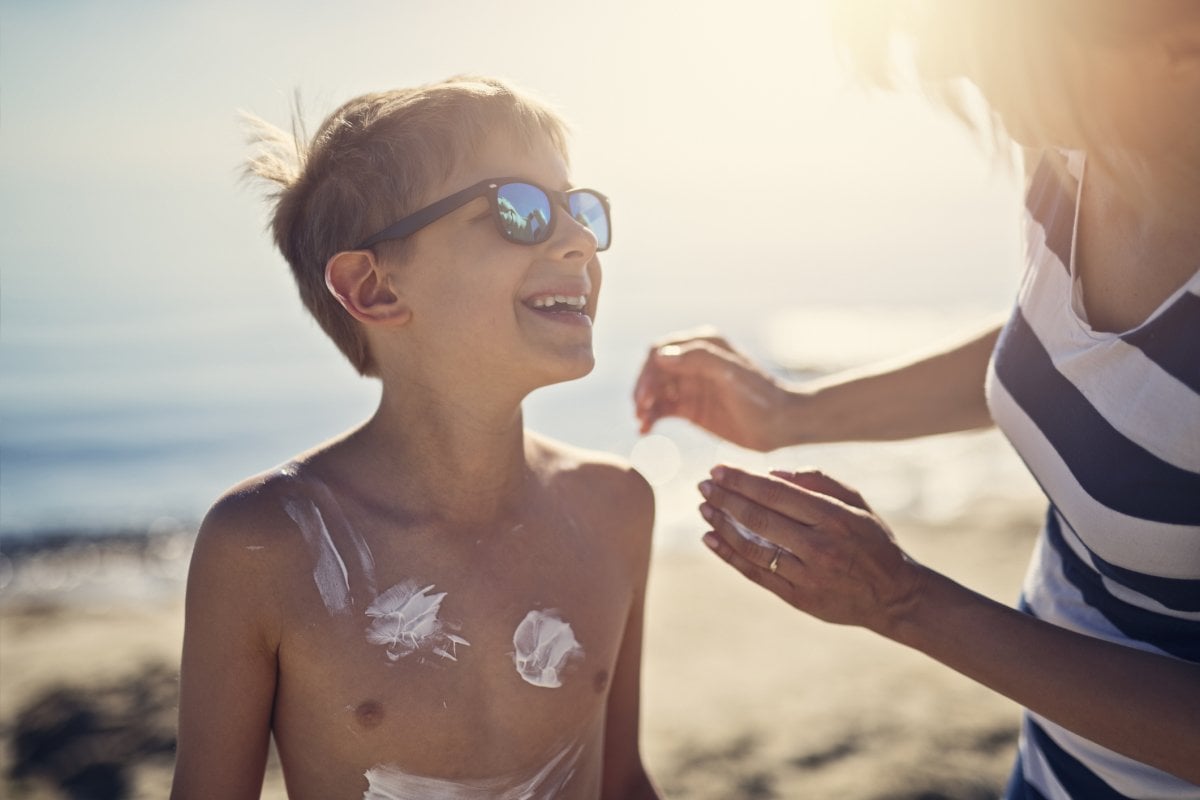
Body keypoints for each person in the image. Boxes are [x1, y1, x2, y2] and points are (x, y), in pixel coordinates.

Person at [634, 1, 1200, 797]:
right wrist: (793, 413)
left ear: (1179, 44)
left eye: (1009, 48)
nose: (955, 74)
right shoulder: (1077, 158)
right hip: (1051, 769)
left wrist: (904, 602)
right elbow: (1080, 361)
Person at [171, 75, 660, 800]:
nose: (581, 239)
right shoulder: (268, 545)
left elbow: (621, 780)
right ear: (375, 290)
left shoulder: (616, 506)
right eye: (518, 210)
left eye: (578, 206)